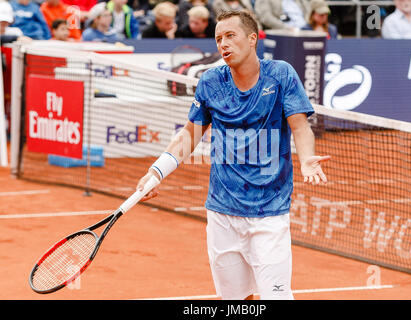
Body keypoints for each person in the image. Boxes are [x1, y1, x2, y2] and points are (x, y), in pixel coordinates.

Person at [136, 10, 330, 300]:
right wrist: (156, 172)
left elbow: (300, 126)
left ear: (252, 39)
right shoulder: (211, 82)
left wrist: (306, 158)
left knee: (276, 296)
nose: (223, 44)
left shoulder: (280, 75)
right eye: (218, 39)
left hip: (269, 214)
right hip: (221, 215)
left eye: (230, 36)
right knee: (236, 301)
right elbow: (189, 135)